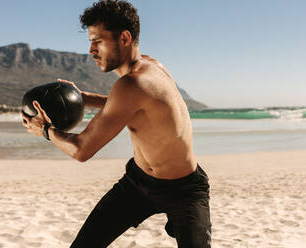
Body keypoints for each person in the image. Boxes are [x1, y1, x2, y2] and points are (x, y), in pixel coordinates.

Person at [21, 0, 211, 247]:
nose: (91, 50)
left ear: (124, 38)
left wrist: (45, 130)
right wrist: (83, 97)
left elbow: (81, 150)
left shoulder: (132, 84)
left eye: (98, 41)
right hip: (137, 183)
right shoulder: (151, 65)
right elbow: (128, 105)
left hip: (185, 192)